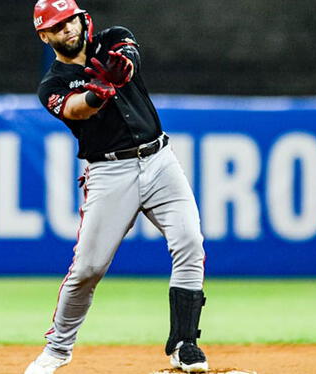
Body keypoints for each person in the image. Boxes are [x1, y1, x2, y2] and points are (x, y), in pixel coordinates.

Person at [25, 1, 208, 373]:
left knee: (190, 242)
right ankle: (58, 349)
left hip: (159, 159)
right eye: (58, 26)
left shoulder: (112, 38)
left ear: (83, 18)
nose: (69, 30)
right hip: (110, 173)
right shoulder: (52, 84)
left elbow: (129, 58)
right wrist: (97, 93)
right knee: (88, 267)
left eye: (71, 20)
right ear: (45, 36)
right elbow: (75, 108)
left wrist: (119, 72)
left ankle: (185, 344)